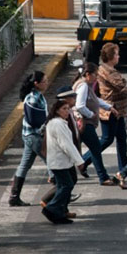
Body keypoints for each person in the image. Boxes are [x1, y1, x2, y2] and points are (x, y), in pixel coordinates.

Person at [42, 95, 85, 224]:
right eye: (64, 109)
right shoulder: (57, 124)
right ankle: (52, 208)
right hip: (59, 162)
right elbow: (66, 145)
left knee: (68, 182)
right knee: (66, 185)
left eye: (68, 108)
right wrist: (79, 161)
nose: (67, 111)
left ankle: (62, 210)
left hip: (63, 161)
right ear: (57, 110)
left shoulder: (58, 123)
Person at [73, 63, 117, 186]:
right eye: (95, 74)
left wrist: (108, 107)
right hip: (84, 123)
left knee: (72, 150)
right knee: (96, 148)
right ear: (87, 74)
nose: (96, 77)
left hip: (82, 122)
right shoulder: (83, 86)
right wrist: (90, 114)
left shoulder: (85, 85)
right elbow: (80, 105)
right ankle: (103, 177)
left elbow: (95, 99)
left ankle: (55, 175)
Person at [10, 72, 50, 206]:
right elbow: (34, 120)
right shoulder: (33, 98)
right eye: (44, 81)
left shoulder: (37, 96)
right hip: (35, 136)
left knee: (25, 165)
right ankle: (60, 191)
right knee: (52, 161)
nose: (47, 83)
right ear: (36, 84)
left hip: (30, 136)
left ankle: (14, 196)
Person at [96, 43, 127, 183]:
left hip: (118, 110)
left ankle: (125, 166)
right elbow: (122, 87)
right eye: (116, 54)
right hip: (111, 110)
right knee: (107, 139)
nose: (118, 56)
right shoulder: (109, 72)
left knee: (122, 137)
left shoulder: (106, 69)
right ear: (110, 57)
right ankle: (84, 161)